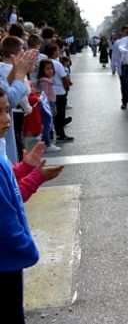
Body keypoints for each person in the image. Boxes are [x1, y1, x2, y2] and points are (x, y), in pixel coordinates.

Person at [0, 86, 39, 324]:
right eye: (0, 113)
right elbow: (5, 220)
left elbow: (10, 182)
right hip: (6, 261)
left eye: (6, 110)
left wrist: (27, 170)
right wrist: (28, 249)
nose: (7, 119)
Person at [36, 59, 60, 153]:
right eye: (47, 69)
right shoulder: (44, 81)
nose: (50, 70)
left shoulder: (50, 80)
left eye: (51, 68)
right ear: (42, 70)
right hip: (47, 104)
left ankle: (45, 142)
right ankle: (47, 144)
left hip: (51, 103)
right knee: (48, 125)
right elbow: (44, 95)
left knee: (49, 125)